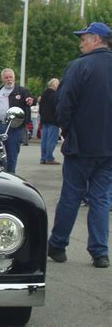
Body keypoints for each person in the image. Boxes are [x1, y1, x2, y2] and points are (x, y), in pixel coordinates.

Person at [48, 22, 111, 268]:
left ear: (96, 39)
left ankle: (58, 245)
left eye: (83, 38)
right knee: (101, 198)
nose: (80, 43)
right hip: (108, 148)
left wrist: (66, 131)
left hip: (80, 145)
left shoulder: (79, 67)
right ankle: (100, 252)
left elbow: (63, 105)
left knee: (71, 197)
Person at [0, 68, 34, 173]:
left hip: (15, 128)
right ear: (2, 79)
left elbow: (31, 100)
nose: (9, 79)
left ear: (14, 78)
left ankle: (11, 175)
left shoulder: (22, 91)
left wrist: (30, 100)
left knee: (12, 153)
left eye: (11, 77)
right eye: (6, 77)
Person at [39, 78, 60, 165]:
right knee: (52, 140)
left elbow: (40, 108)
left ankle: (43, 157)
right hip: (53, 120)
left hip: (44, 120)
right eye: (58, 84)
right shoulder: (55, 95)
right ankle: (49, 158)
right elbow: (58, 107)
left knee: (44, 140)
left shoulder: (44, 94)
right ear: (54, 84)